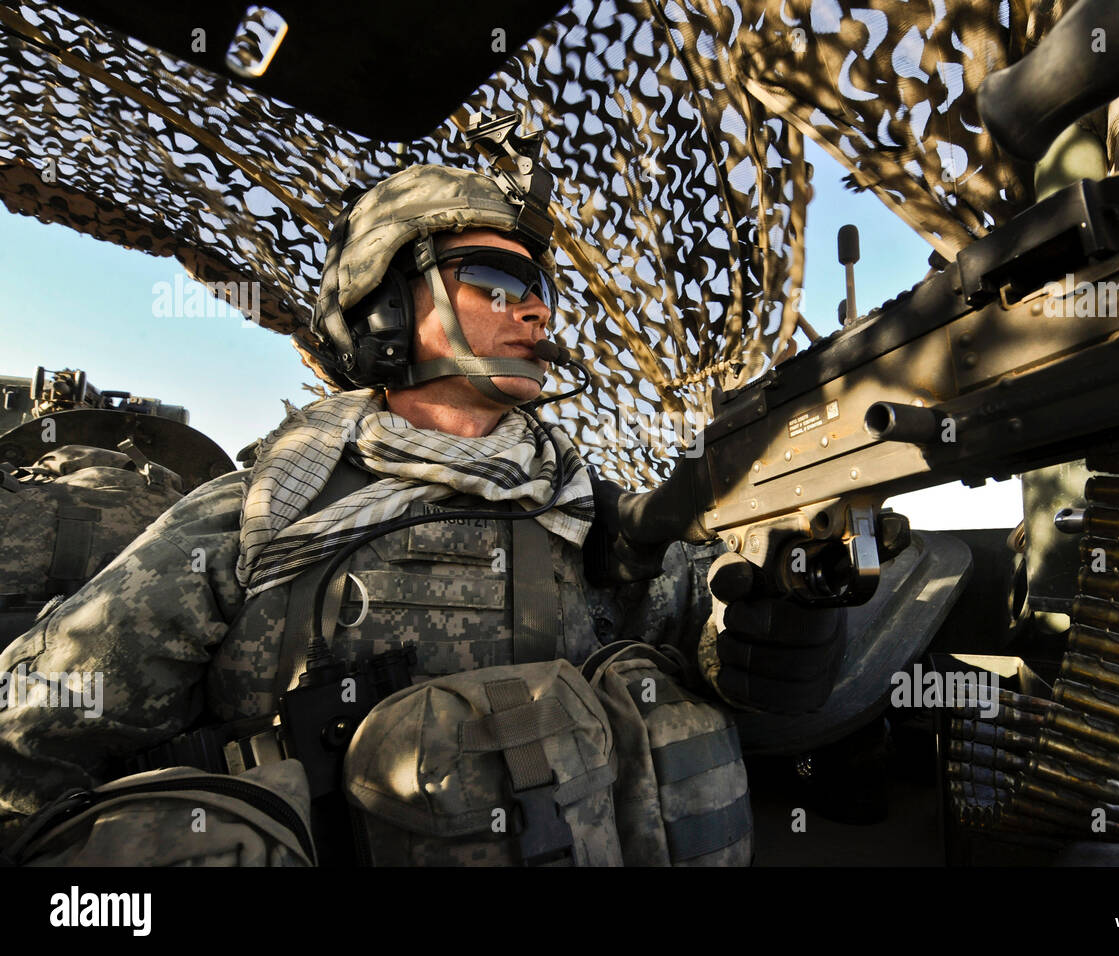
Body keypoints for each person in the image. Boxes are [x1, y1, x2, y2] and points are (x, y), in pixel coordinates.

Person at [0, 160, 845, 861]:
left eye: (540, 286)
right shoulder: (255, 522)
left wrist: (785, 629)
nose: (538, 309)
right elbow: (28, 745)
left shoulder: (598, 519)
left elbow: (723, 649)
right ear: (387, 308)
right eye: (496, 279)